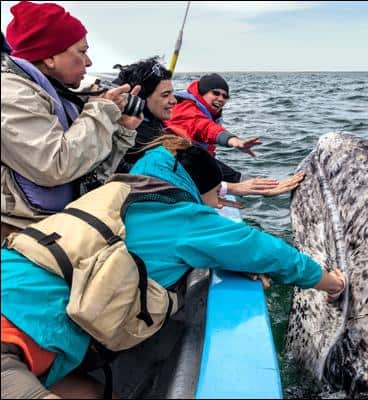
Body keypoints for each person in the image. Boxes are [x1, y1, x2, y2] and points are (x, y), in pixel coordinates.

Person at [1, 134, 346, 399]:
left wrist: (220, 256)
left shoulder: (121, 193)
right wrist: (331, 283)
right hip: (17, 337)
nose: (213, 208)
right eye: (213, 199)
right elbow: (265, 251)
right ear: (196, 191)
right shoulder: (182, 216)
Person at [0, 1, 142, 242]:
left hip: (55, 228)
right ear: (50, 57)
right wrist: (102, 110)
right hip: (18, 234)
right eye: (81, 51)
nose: (88, 62)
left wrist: (120, 132)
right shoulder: (12, 94)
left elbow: (87, 174)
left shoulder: (56, 95)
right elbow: (54, 166)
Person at [114, 58, 303, 198]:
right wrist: (235, 187)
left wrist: (243, 181)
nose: (173, 100)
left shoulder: (154, 124)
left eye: (225, 96)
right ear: (136, 100)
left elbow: (190, 157)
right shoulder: (138, 136)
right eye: (165, 95)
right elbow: (169, 171)